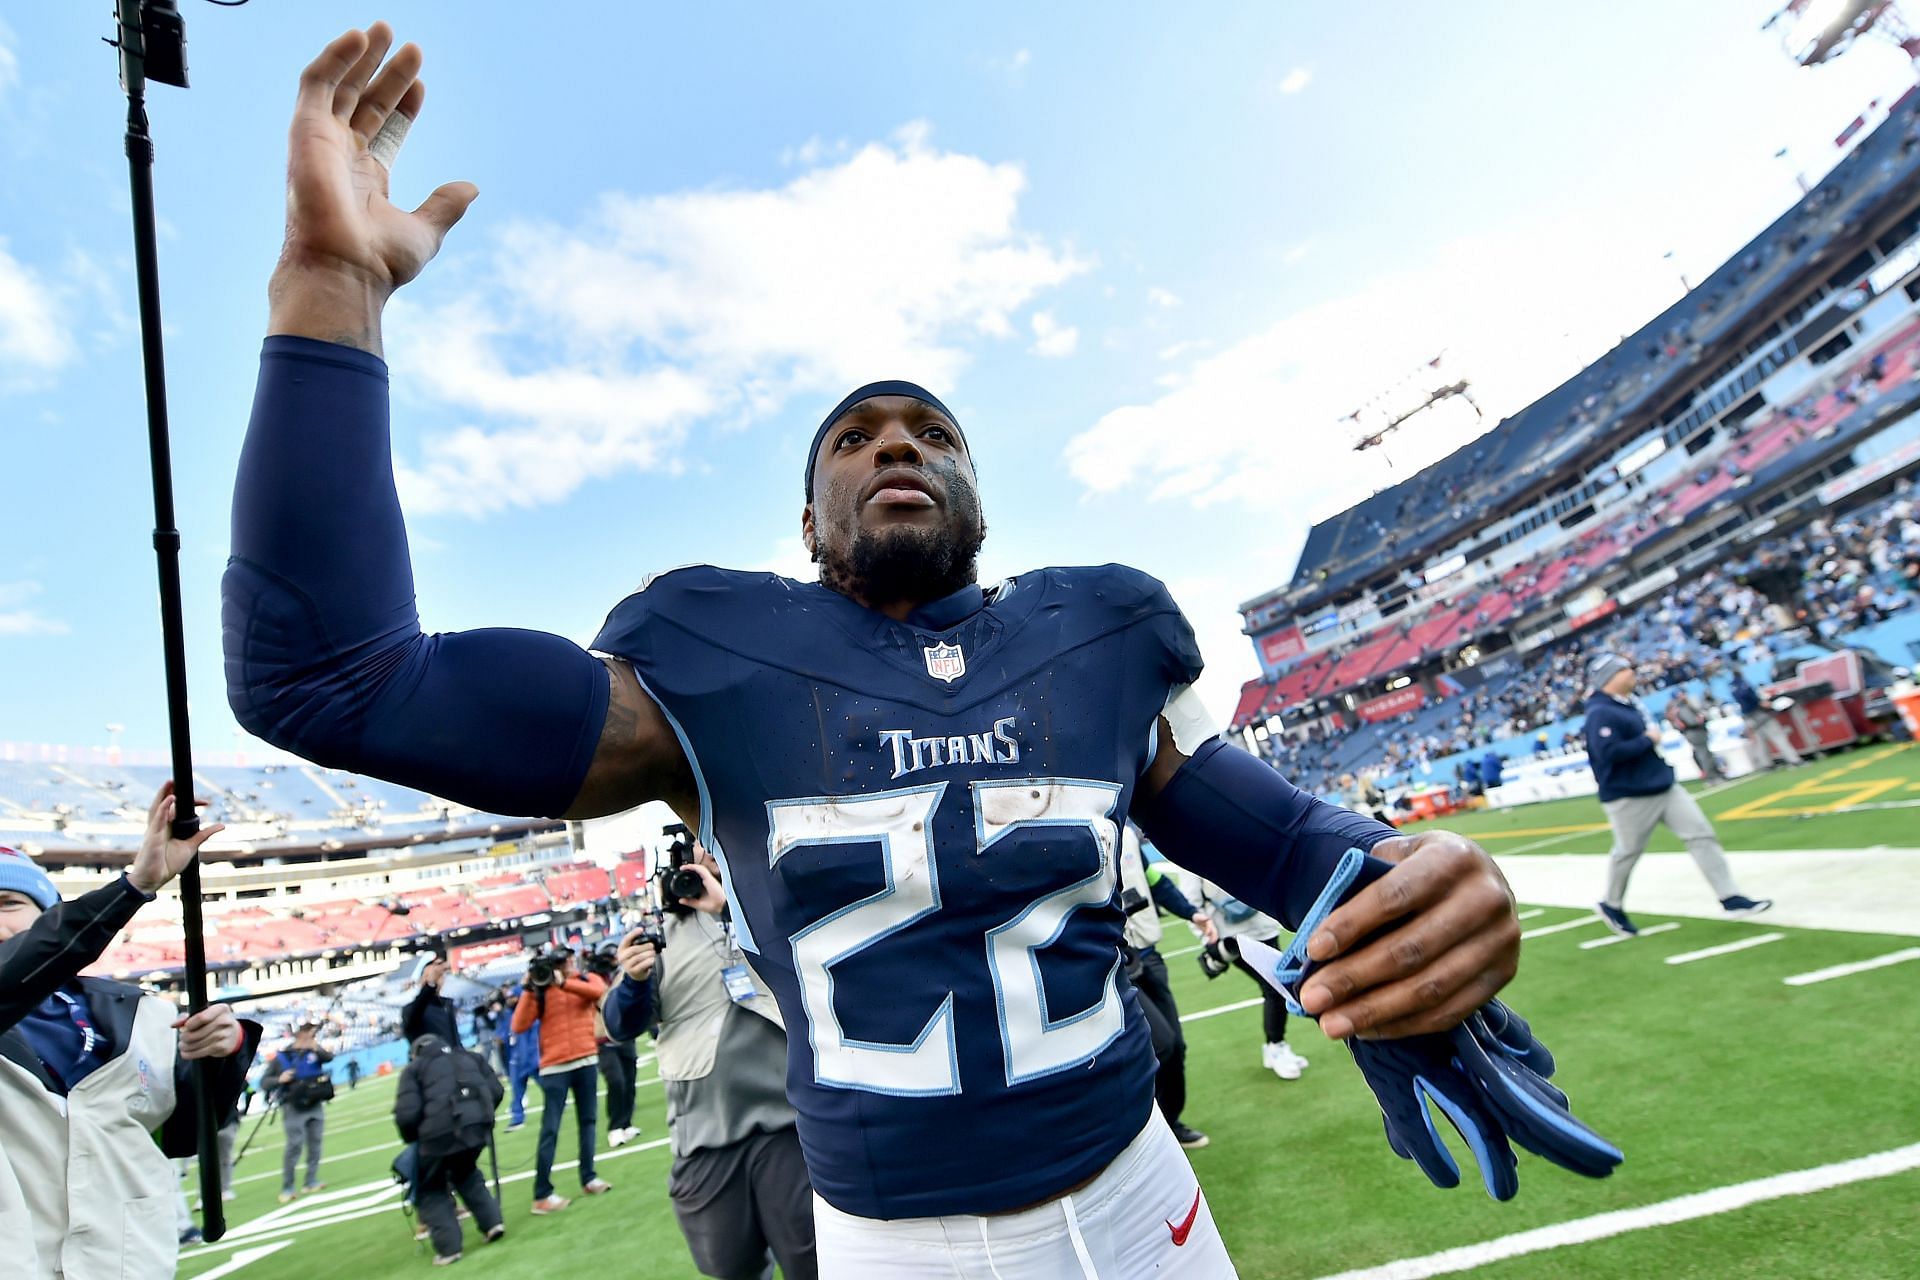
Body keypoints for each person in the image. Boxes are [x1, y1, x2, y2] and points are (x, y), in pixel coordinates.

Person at [223, 26, 1579, 1274]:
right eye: (856, 438)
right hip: (894, 1242)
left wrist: (1422, 884)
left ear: (980, 499)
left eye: (931, 434)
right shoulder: (702, 658)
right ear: (806, 524)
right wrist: (331, 285)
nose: (896, 445)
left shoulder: (1101, 632)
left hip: (1141, 1196)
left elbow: (1293, 849)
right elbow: (331, 678)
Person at [0, 785, 260, 1279]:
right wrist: (134, 886)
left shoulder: (141, 1012)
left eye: (7, 902)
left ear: (48, 912)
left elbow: (185, 1133)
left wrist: (221, 1054)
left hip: (131, 1264)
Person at [604, 848, 818, 1280]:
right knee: (728, 1265)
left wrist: (729, 911)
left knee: (811, 1260)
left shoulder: (772, 905)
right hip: (704, 1130)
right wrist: (634, 980)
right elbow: (621, 1025)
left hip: (785, 1121)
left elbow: (807, 969)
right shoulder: (661, 932)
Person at [1584, 653, 1775, 937]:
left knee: (1700, 834)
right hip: (1629, 794)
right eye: (1625, 670)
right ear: (1610, 677)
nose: (1632, 672)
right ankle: (1611, 903)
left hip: (1662, 785)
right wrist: (1647, 740)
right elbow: (1607, 753)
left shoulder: (1627, 704)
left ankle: (1730, 896)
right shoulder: (1601, 712)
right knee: (1627, 852)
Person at [1120, 828, 1218, 1148]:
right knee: (1161, 1045)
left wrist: (1194, 914)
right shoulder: (1072, 835)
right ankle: (1146, 1132)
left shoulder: (1128, 835)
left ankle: (1169, 1123)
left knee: (1175, 1048)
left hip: (1149, 956)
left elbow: (1155, 882)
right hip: (1115, 967)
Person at [511, 948, 612, 1213]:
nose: (564, 963)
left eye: (566, 959)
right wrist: (529, 990)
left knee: (588, 1122)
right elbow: (518, 1025)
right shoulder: (540, 989)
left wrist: (565, 982)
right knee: (550, 1128)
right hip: (555, 1066)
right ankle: (542, 1193)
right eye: (559, 961)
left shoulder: (584, 980)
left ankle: (589, 1177)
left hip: (586, 1058)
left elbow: (598, 992)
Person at [394, 1033, 507, 1264]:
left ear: (415, 1054)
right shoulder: (469, 1057)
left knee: (430, 1189)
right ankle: (493, 1223)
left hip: (438, 1136)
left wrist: (416, 1139)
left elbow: (407, 1116)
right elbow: (496, 1091)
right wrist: (479, 1116)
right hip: (477, 1128)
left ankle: (449, 1248)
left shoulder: (414, 1070)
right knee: (466, 1173)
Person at [1193, 878, 1311, 1081]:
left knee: (1276, 988)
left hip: (1264, 927)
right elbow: (1190, 898)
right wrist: (1208, 941)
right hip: (1232, 937)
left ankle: (1276, 1046)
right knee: (1275, 988)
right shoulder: (1192, 848)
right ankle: (1275, 1048)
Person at [271, 1023, 335, 1203]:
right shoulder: (283, 1056)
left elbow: (329, 1057)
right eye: (308, 1031)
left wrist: (314, 1046)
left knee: (315, 1143)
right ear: (299, 1033)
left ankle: (311, 1180)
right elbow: (265, 1081)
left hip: (315, 1104)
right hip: (293, 1107)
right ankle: (288, 1186)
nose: (312, 1034)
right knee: (295, 1145)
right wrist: (279, 1078)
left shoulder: (315, 1052)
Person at [591, 950, 642, 1148]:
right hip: (603, 1038)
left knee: (629, 1080)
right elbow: (604, 999)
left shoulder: (622, 973)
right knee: (616, 1081)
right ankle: (614, 1127)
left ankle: (626, 1122)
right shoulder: (592, 980)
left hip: (625, 1035)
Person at [1730, 671, 1803, 769]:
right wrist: (1759, 702)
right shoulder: (1743, 684)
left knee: (1760, 740)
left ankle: (1766, 764)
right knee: (1778, 736)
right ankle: (1794, 760)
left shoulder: (1732, 686)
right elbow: (1749, 696)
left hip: (1748, 716)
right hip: (1759, 713)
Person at [1663, 686, 1722, 781]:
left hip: (1690, 733)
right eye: (1682, 693)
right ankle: (1711, 777)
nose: (1685, 695)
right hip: (1694, 732)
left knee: (1702, 754)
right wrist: (1701, 719)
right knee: (1704, 755)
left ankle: (1713, 775)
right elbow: (1692, 721)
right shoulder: (1680, 707)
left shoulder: (1674, 707)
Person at [403, 956, 461, 1046]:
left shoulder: (446, 1005)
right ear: (421, 979)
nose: (438, 979)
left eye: (440, 975)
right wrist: (430, 984)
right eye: (430, 975)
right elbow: (418, 1008)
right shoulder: (410, 1010)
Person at [502, 992, 539, 1132]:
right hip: (516, 1061)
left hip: (530, 1059)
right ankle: (517, 1119)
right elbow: (505, 1037)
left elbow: (533, 1039)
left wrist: (533, 1058)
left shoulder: (530, 1014)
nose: (509, 1000)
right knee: (516, 1093)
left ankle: (560, 1103)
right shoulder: (508, 1015)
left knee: (549, 1087)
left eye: (512, 997)